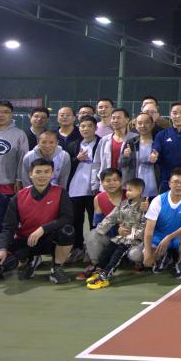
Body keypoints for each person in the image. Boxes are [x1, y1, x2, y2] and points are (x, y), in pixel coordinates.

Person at [0, 158, 75, 284]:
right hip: (26, 241)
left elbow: (67, 218)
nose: (42, 175)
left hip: (50, 240)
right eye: (38, 172)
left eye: (46, 172)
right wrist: (2, 249)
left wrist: (43, 229)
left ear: (52, 174)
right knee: (4, 264)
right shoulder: (19, 196)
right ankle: (29, 260)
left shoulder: (61, 192)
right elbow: (8, 227)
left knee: (68, 231)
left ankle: (56, 268)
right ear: (30, 174)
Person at [85, 177, 150, 289]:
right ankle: (99, 269)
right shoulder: (123, 204)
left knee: (117, 256)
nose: (127, 193)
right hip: (121, 237)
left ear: (139, 191)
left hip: (135, 239)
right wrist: (100, 229)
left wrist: (133, 235)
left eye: (130, 190)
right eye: (127, 190)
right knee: (108, 250)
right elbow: (111, 217)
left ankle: (105, 276)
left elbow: (145, 224)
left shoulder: (144, 206)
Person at [142, 167, 181, 279]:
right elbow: (149, 230)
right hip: (159, 236)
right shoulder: (158, 200)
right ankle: (166, 255)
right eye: (175, 182)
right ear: (169, 184)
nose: (179, 185)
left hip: (178, 237)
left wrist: (169, 237)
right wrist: (147, 253)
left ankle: (180, 263)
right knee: (140, 256)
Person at [79, 167, 126, 279]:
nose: (111, 183)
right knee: (93, 235)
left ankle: (136, 263)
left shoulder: (130, 195)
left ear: (121, 181)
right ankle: (97, 265)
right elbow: (99, 223)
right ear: (102, 183)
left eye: (115, 180)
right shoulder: (98, 198)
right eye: (107, 181)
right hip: (111, 235)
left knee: (135, 254)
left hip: (129, 237)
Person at [66, 115, 100, 257]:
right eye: (83, 126)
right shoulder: (73, 145)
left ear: (96, 128)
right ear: (79, 128)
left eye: (89, 126)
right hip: (75, 189)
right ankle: (78, 247)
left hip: (94, 189)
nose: (86, 129)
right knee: (76, 220)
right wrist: (77, 159)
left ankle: (93, 249)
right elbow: (66, 165)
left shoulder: (101, 143)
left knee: (94, 220)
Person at [121, 112, 159, 198]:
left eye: (146, 122)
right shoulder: (131, 142)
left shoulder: (158, 141)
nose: (143, 126)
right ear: (135, 125)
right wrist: (125, 156)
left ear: (152, 124)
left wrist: (157, 159)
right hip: (136, 184)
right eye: (140, 123)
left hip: (155, 183)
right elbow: (122, 164)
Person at [95, 108, 131, 186]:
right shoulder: (104, 140)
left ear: (127, 120)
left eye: (118, 118)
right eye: (113, 118)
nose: (115, 120)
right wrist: (95, 184)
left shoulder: (134, 139)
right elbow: (97, 162)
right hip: (107, 183)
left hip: (126, 184)